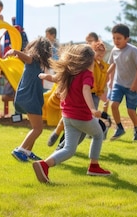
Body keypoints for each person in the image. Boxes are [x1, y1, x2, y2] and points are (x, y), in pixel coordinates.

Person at [33, 44, 111, 183]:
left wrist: (42, 75)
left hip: (67, 117)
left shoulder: (68, 72)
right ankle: (94, 166)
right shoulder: (87, 74)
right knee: (98, 134)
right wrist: (93, 109)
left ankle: (44, 164)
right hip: (82, 117)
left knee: (69, 149)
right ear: (88, 61)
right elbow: (86, 90)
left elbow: (53, 78)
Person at [48, 40, 110, 148]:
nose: (100, 55)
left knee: (82, 122)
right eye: (97, 53)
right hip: (82, 95)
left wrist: (101, 93)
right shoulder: (87, 65)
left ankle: (64, 145)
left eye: (102, 53)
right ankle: (58, 133)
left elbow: (102, 80)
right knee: (72, 118)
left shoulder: (103, 66)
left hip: (94, 96)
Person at [6, 37, 53, 162]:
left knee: (36, 127)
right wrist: (15, 51)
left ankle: (27, 151)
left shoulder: (38, 64)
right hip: (30, 99)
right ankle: (20, 150)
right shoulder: (33, 61)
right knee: (38, 129)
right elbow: (27, 57)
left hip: (31, 99)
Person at [107, 24, 137, 141]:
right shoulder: (114, 50)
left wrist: (136, 82)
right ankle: (119, 128)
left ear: (126, 38)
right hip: (119, 83)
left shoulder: (132, 50)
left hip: (132, 85)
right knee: (113, 105)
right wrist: (106, 76)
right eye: (113, 38)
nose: (115, 41)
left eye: (119, 38)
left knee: (131, 110)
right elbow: (113, 64)